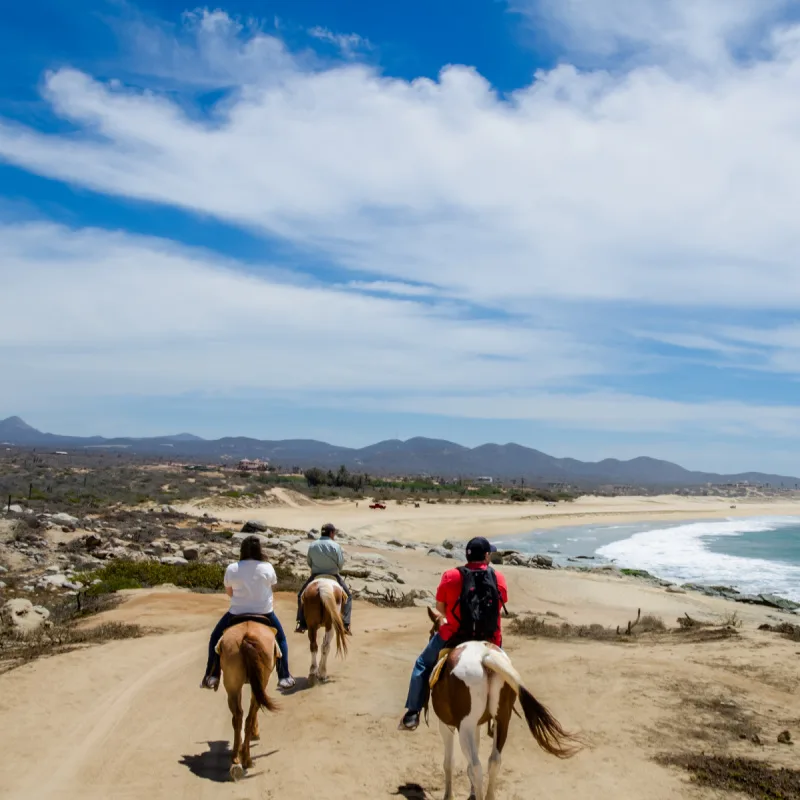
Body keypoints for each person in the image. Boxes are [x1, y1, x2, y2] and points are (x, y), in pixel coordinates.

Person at [398, 536, 508, 731]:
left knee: (422, 664)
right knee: (504, 670)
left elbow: (440, 609)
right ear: (486, 556)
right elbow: (498, 608)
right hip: (489, 638)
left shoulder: (450, 576)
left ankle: (413, 712)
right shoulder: (498, 578)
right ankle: (497, 715)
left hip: (454, 635)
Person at [201, 534, 296, 691]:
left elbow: (229, 592)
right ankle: (284, 676)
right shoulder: (268, 567)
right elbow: (272, 587)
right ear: (259, 550)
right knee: (281, 638)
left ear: (242, 550)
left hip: (237, 612)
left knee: (214, 638)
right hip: (265, 613)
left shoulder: (232, 568)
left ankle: (212, 675)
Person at [295, 522, 353, 635]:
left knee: (300, 595)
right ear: (331, 533)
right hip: (333, 575)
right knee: (349, 596)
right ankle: (346, 624)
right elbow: (340, 564)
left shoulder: (313, 545)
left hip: (316, 575)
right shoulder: (336, 546)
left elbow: (309, 562)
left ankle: (301, 622)